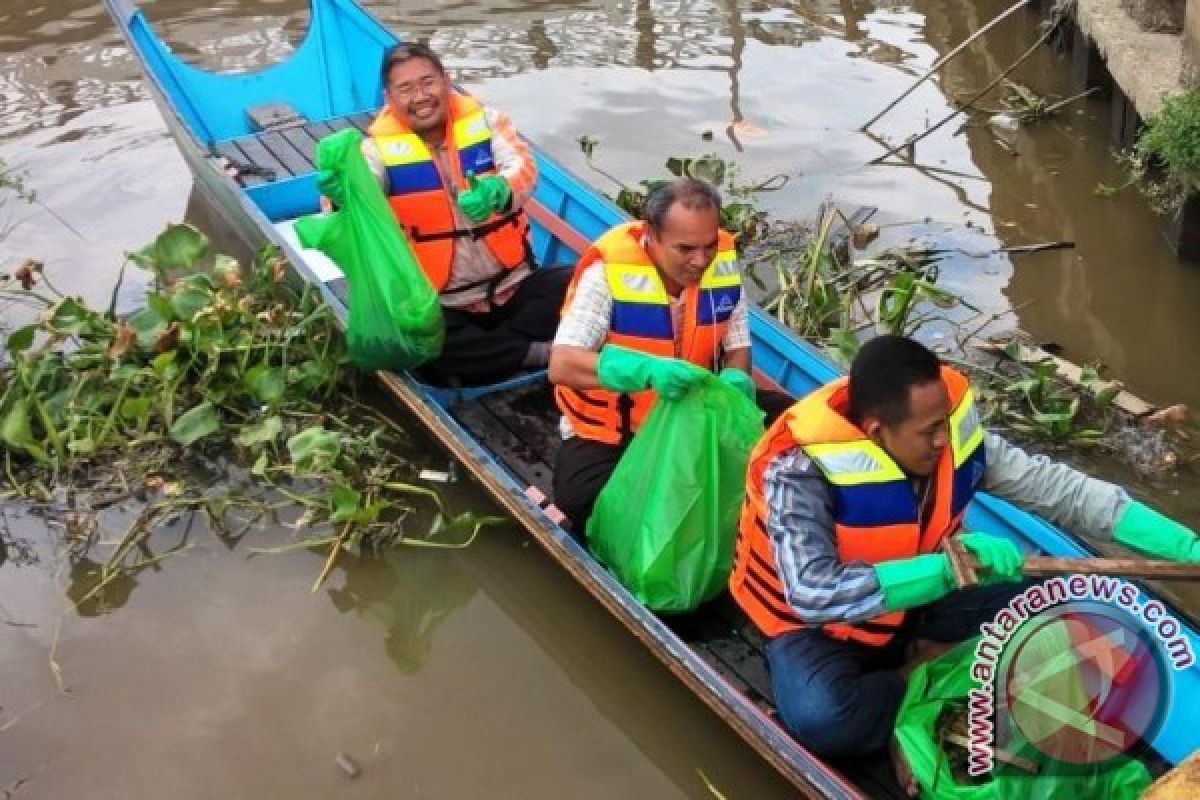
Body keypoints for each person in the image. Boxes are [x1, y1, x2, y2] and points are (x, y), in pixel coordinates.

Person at [730, 334, 1200, 759]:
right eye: (928, 432)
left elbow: (1063, 492)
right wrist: (946, 568)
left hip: (920, 605)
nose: (943, 441)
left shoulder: (950, 438)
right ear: (877, 432)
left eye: (945, 423)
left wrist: (1184, 545)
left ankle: (932, 661)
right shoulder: (798, 473)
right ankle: (920, 676)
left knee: (1065, 599)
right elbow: (812, 594)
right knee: (825, 719)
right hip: (824, 634)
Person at [549, 178, 790, 534]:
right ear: (652, 235)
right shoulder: (606, 277)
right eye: (686, 249)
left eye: (709, 246)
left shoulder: (720, 264)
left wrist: (736, 383)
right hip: (617, 431)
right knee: (579, 497)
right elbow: (562, 363)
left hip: (692, 408)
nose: (700, 261)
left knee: (790, 422)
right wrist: (646, 370)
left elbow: (737, 344)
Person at [320, 42, 568, 385]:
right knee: (429, 348)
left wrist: (500, 190)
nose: (420, 96)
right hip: (445, 307)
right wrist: (343, 195)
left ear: (446, 80)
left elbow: (523, 167)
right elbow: (355, 208)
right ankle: (538, 354)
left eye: (427, 82)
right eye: (405, 89)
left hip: (515, 289)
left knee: (579, 282)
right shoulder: (375, 151)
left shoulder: (487, 122)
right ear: (389, 97)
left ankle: (500, 353)